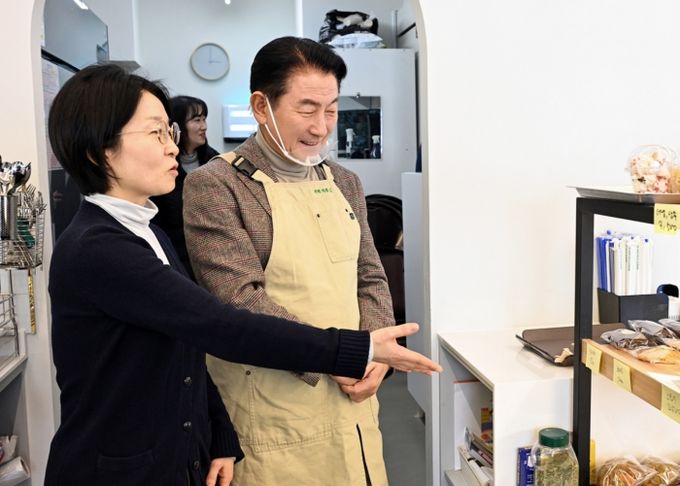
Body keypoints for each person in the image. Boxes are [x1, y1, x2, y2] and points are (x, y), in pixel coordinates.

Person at [44, 63, 440, 486]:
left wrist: (218, 435)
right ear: (98, 150)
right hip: (126, 464)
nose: (173, 147)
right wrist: (358, 350)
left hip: (314, 408)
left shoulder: (147, 230)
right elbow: (220, 322)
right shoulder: (100, 248)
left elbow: (187, 346)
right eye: (156, 133)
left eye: (169, 132)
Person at [183, 37, 395, 486]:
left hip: (354, 400)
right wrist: (344, 354)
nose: (321, 127)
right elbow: (239, 300)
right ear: (261, 106)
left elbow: (369, 274)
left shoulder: (345, 181)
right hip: (274, 413)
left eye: (331, 110)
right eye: (307, 109)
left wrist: (376, 354)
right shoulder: (216, 186)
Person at [151, 96, 218, 278]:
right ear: (178, 125)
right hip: (176, 261)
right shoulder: (163, 167)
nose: (204, 126)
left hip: (212, 257)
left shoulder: (214, 161)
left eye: (204, 119)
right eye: (197, 120)